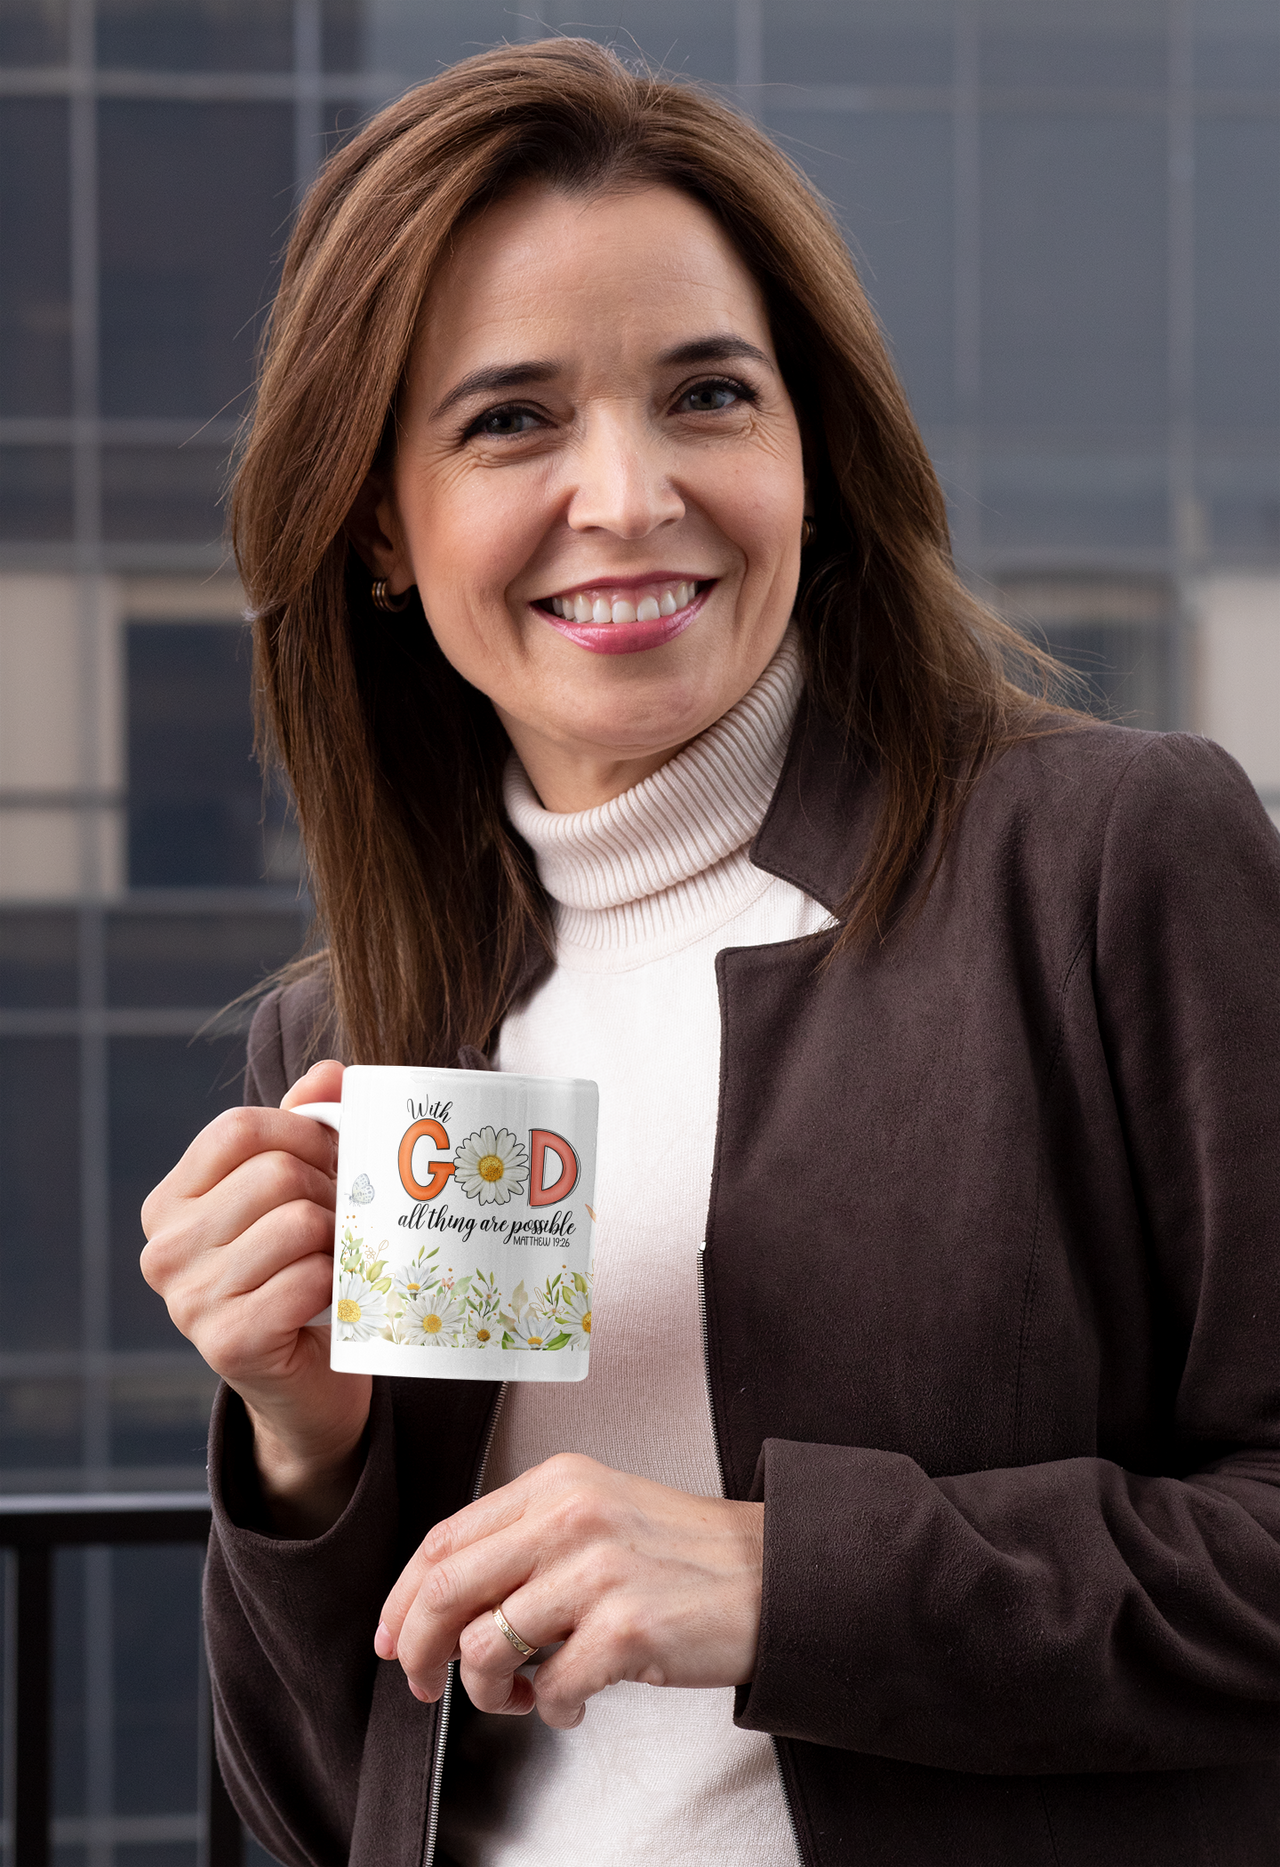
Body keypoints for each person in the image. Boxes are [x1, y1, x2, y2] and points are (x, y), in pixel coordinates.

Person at [140, 36, 1280, 1867]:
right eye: (512, 419)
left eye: (707, 396)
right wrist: (302, 1445)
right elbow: (307, 1803)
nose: (630, 494)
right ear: (374, 522)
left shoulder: (1103, 864)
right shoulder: (356, 1037)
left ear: (809, 449)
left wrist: (777, 1577)